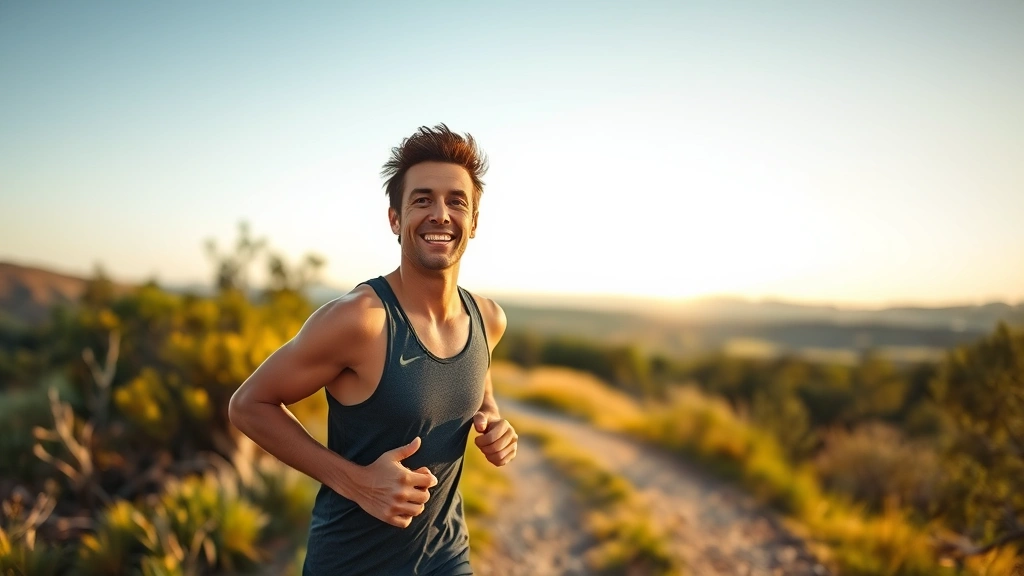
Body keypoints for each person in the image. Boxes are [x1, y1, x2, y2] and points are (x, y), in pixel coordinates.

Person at [228, 124, 518, 575]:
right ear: (395, 220)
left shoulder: (487, 319)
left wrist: (494, 420)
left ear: (474, 222)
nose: (441, 214)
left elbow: (479, 382)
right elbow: (248, 405)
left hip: (448, 558)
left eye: (456, 201)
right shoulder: (360, 320)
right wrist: (358, 483)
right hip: (351, 563)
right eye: (422, 199)